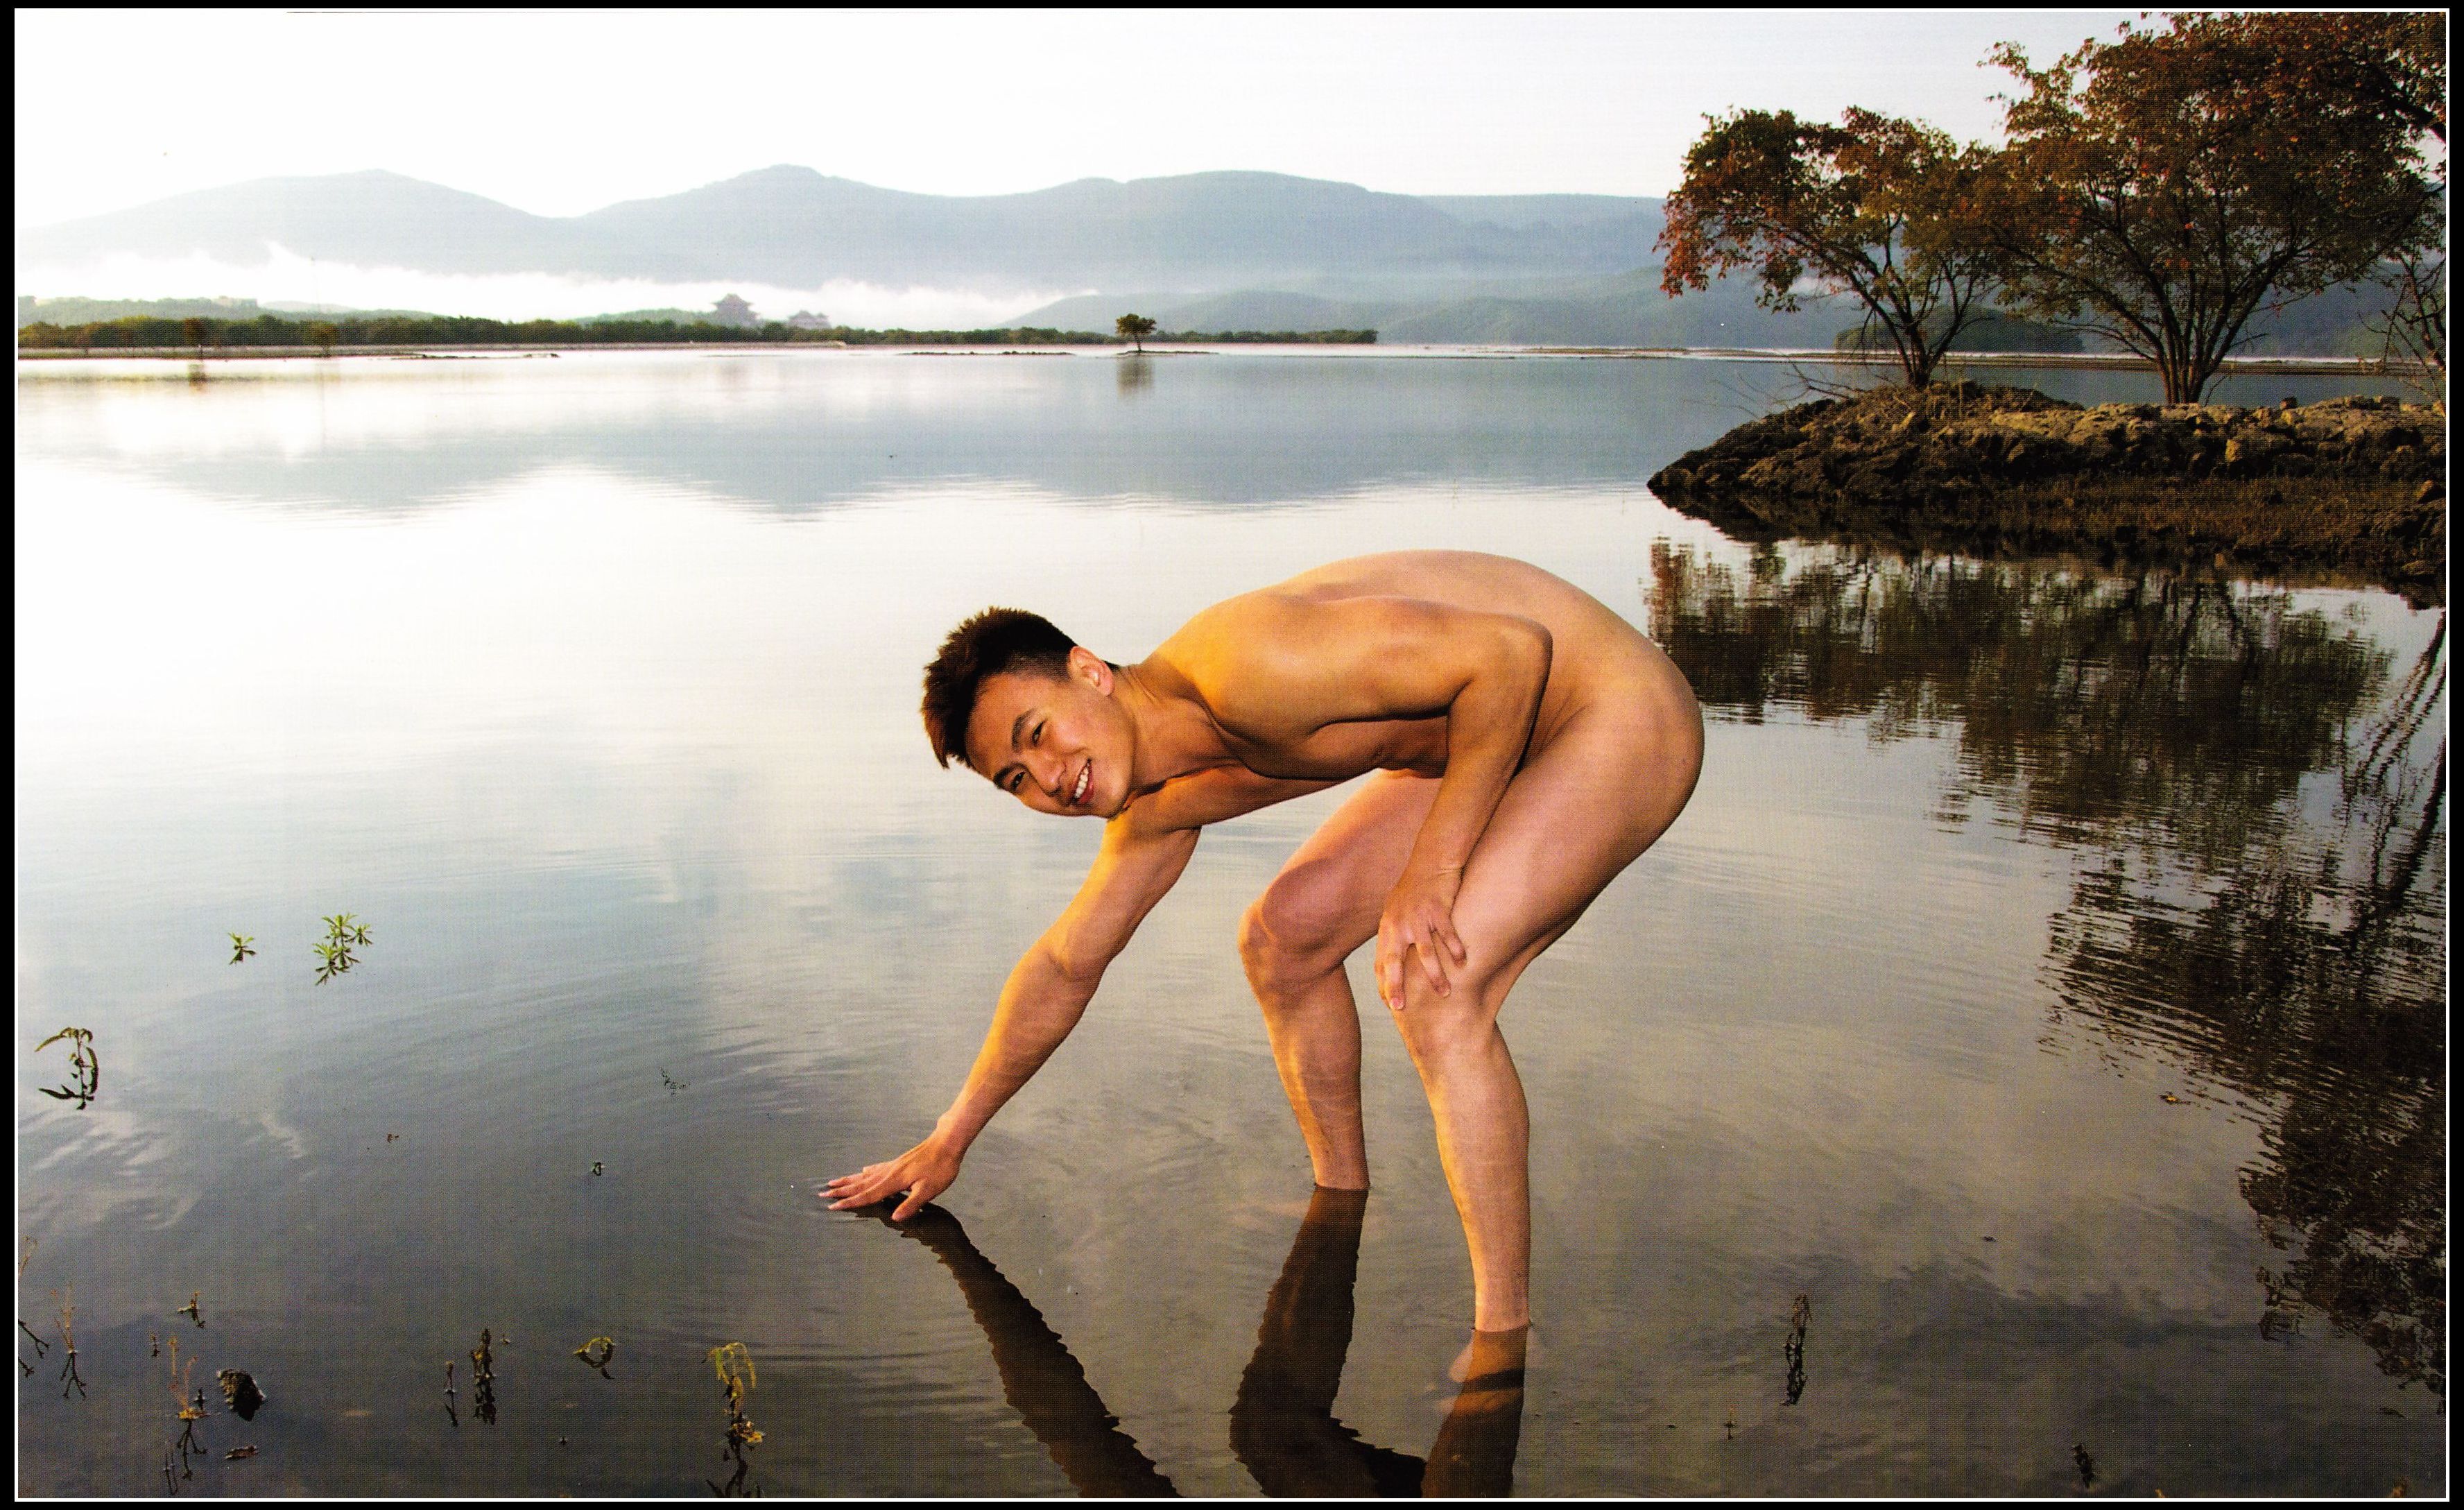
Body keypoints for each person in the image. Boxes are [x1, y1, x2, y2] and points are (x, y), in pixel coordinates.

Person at [827, 550, 1704, 1334]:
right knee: (1282, 938)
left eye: (1037, 732)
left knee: (1436, 982)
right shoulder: (1154, 797)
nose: (1052, 777)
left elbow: (1510, 653)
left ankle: (1500, 1340)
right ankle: (1341, 1205)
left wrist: (1432, 871)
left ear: (1088, 671)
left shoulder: (1246, 669)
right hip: (1484, 737)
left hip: (1608, 708)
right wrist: (949, 1137)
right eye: (1018, 778)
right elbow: (1066, 963)